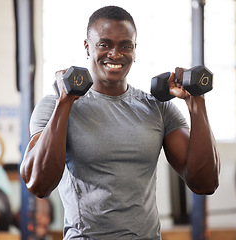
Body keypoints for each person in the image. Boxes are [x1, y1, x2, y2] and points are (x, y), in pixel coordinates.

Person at [20, 5, 220, 240]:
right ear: (87, 47)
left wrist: (195, 101)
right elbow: (38, 184)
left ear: (135, 49)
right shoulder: (54, 106)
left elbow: (205, 182)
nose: (115, 54)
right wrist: (65, 102)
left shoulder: (158, 108)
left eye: (125, 45)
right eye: (104, 44)